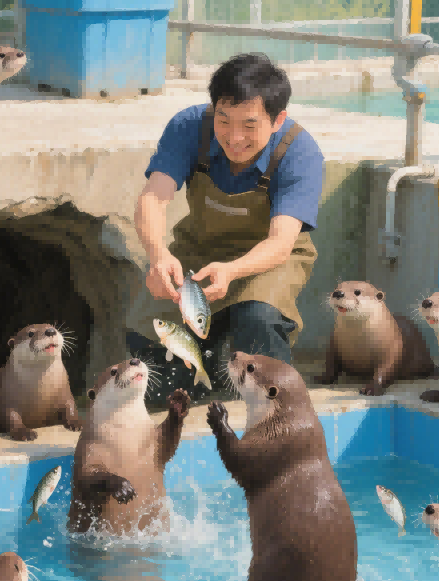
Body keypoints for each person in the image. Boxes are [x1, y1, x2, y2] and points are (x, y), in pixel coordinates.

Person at [125, 52, 325, 403]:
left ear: (278, 119)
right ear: (213, 107)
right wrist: (158, 255)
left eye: (250, 125)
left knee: (258, 319)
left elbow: (280, 243)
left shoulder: (300, 153)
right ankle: (190, 389)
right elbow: (153, 198)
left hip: (270, 259)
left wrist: (232, 271)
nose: (234, 138)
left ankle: (273, 414)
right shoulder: (188, 127)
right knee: (152, 334)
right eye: (223, 120)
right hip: (199, 251)